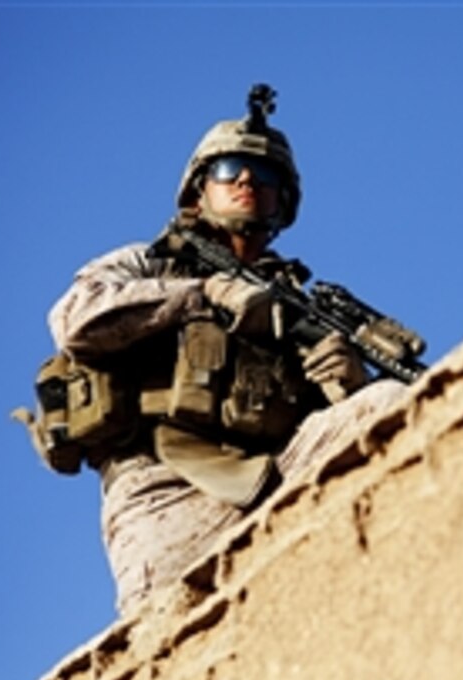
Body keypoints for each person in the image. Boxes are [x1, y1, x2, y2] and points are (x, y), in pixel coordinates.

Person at [38, 86, 409, 616]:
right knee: (163, 636)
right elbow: (75, 320)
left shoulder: (294, 306)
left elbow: (340, 411)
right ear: (197, 192)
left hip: (274, 470)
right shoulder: (148, 264)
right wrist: (202, 294)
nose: (245, 181)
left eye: (265, 178)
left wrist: (349, 382)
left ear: (284, 203)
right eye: (229, 168)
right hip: (163, 485)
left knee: (388, 404)